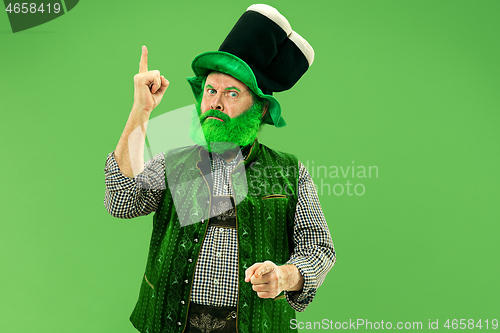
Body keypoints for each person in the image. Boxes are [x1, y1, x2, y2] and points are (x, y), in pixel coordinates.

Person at [104, 4, 336, 333]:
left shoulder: (288, 171)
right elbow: (121, 201)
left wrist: (284, 276)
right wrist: (140, 112)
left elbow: (318, 247)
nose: (215, 102)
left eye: (231, 93)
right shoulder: (174, 158)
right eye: (210, 90)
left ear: (260, 108)